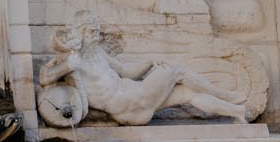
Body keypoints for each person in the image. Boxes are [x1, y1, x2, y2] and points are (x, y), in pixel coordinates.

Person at [36, 17, 245, 128]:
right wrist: (67, 66)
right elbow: (45, 78)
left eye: (98, 31)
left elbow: (126, 71)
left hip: (134, 98)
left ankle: (238, 113)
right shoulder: (72, 59)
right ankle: (226, 95)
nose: (96, 36)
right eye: (92, 31)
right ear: (79, 31)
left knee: (187, 94)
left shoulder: (97, 52)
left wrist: (150, 61)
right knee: (176, 70)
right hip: (128, 102)